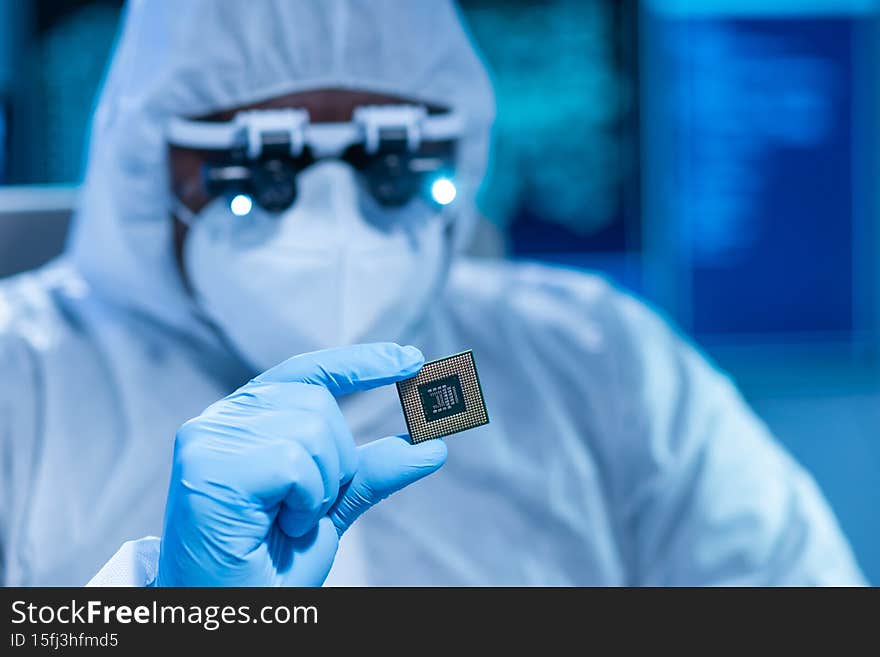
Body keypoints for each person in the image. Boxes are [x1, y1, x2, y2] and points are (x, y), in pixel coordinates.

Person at [0, 0, 865, 587]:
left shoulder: (598, 362)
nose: (334, 220)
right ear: (150, 163)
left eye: (392, 165)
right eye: (261, 169)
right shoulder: (21, 381)